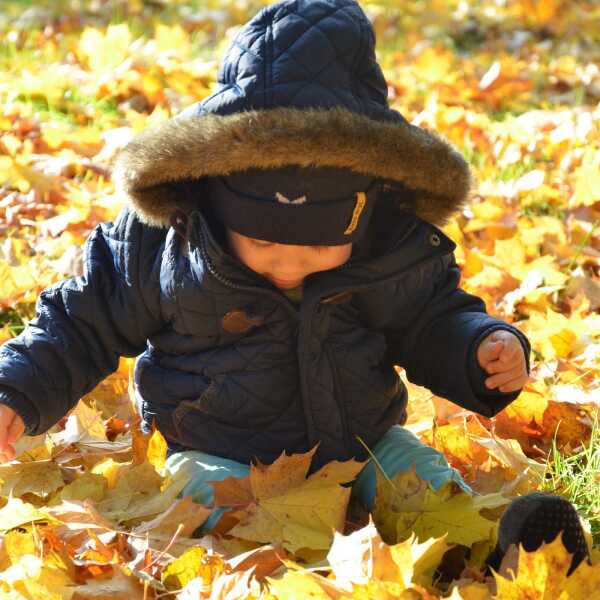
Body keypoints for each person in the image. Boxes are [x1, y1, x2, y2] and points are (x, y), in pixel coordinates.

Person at [0, 0, 590, 574]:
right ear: (216, 195)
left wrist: (479, 345)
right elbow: (78, 322)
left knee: (420, 481)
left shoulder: (388, 245)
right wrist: (15, 390)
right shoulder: (166, 242)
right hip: (219, 450)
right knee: (199, 501)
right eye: (262, 245)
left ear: (365, 211)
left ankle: (511, 551)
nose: (286, 266)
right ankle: (265, 576)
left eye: (315, 250)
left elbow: (432, 317)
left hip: (362, 445)